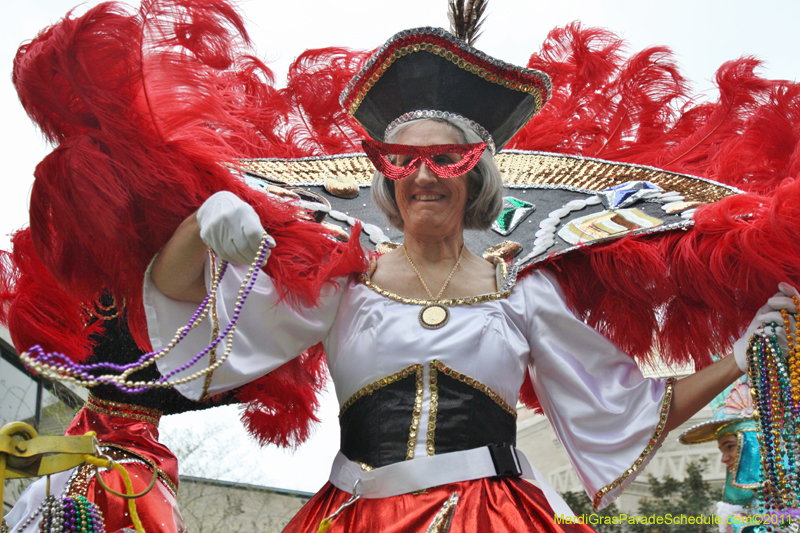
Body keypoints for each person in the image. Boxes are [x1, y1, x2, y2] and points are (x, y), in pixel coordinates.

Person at [142, 26, 797, 532]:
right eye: (402, 160)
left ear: (475, 174)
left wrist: (738, 358)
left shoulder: (521, 290)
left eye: (444, 158)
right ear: (385, 175)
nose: (423, 176)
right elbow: (183, 318)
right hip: (354, 513)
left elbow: (631, 409)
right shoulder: (344, 280)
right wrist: (200, 225)